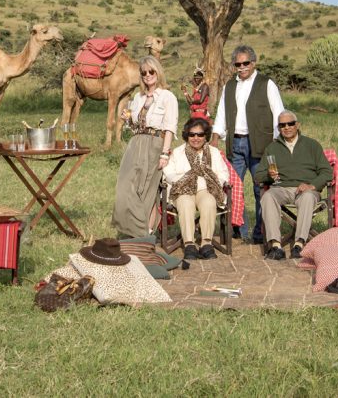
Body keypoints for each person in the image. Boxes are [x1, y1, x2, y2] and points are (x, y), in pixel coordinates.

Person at [211, 45, 284, 243]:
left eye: (246, 63)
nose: (242, 67)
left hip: (262, 144)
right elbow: (222, 114)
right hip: (236, 143)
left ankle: (261, 232)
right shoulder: (230, 86)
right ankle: (238, 230)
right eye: (238, 64)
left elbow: (279, 113)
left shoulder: (266, 84)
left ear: (253, 63)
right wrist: (215, 137)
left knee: (261, 187)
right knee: (233, 186)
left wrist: (279, 143)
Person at [112, 55, 178, 238]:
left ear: (158, 72)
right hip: (135, 143)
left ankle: (145, 234)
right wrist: (128, 119)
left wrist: (165, 154)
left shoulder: (167, 96)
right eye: (144, 73)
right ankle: (132, 229)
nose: (148, 75)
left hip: (155, 144)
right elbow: (134, 125)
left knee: (147, 190)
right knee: (125, 188)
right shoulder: (138, 96)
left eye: (151, 71)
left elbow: (169, 128)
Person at [254, 110, 333, 260]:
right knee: (268, 196)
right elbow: (259, 175)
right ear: (278, 128)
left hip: (306, 190)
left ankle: (299, 244)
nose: (287, 127)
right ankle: (276, 245)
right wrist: (269, 177)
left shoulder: (312, 145)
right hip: (281, 188)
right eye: (282, 125)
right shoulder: (272, 148)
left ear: (297, 125)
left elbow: (327, 172)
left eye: (290, 124)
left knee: (308, 197)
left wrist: (312, 185)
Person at [162, 117, 229, 260]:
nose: (196, 138)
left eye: (200, 134)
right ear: (187, 135)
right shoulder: (178, 152)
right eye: (192, 134)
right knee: (186, 203)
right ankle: (189, 244)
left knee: (209, 202)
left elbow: (223, 173)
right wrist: (184, 180)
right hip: (182, 190)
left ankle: (206, 243)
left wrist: (214, 181)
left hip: (206, 189)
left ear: (206, 136)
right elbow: (168, 173)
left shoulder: (214, 152)